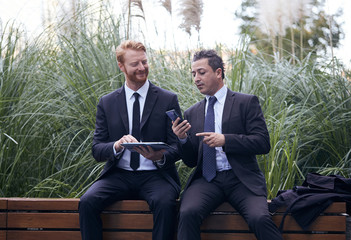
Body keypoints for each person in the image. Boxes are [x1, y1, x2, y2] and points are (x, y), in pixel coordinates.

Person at [172, 49, 283, 240]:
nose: (196, 78)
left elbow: (263, 143)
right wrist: (182, 139)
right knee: (187, 212)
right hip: (207, 181)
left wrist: (225, 140)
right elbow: (191, 161)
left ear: (218, 72)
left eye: (201, 72)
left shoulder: (245, 102)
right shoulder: (192, 112)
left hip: (242, 179)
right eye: (193, 74)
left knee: (259, 218)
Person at [79, 40, 181, 240]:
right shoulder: (107, 102)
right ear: (121, 66)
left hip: (156, 176)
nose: (142, 68)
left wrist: (159, 156)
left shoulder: (168, 99)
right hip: (118, 175)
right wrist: (116, 146)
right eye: (135, 64)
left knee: (166, 203)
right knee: (87, 202)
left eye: (144, 62)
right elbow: (97, 149)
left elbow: (177, 147)